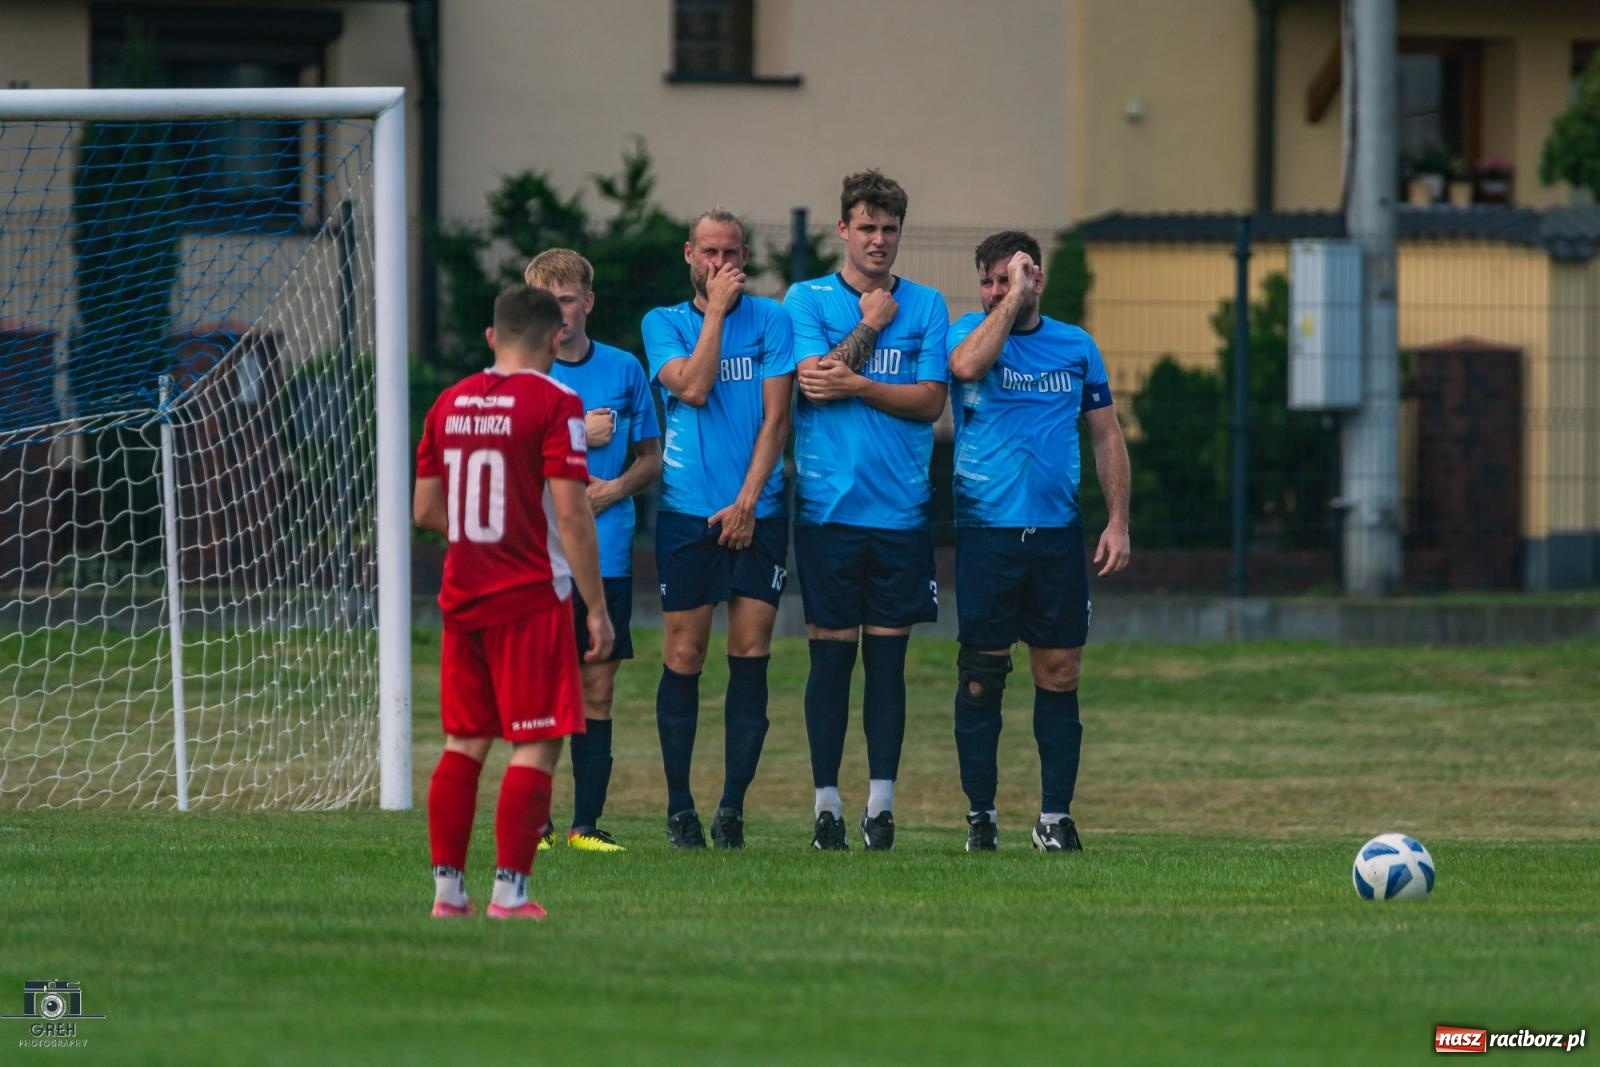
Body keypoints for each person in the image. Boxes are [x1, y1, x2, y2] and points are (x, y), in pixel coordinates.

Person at [413, 285, 614, 918]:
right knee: (538, 742)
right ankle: (510, 891)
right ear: (556, 339)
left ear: (491, 337)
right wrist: (597, 608)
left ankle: (448, 893)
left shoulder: (448, 403)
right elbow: (572, 514)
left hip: (463, 592)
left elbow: (424, 509)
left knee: (464, 741)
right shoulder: (557, 402)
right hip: (530, 595)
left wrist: (482, 530)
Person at [945, 231, 1131, 853]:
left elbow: (1106, 435)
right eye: (988, 281)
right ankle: (981, 816)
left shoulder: (1076, 346)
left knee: (1060, 672)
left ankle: (1055, 818)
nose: (996, 290)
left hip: (1055, 538)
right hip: (987, 534)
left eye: (1010, 278)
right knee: (982, 675)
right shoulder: (968, 334)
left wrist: (1117, 521)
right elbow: (966, 368)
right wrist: (1009, 300)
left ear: (1038, 280)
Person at [784, 170, 949, 851]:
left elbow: (930, 401)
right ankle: (826, 807)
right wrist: (870, 325)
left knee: (887, 665)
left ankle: (881, 808)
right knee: (829, 663)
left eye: (889, 229)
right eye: (867, 227)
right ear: (843, 230)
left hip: (901, 514)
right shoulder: (806, 298)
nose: (879, 240)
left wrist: (857, 382)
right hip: (828, 513)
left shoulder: (929, 304)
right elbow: (813, 385)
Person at [641, 208, 795, 850]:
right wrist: (716, 315)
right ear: (690, 255)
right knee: (684, 655)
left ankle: (732, 809)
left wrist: (748, 502)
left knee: (751, 655)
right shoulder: (664, 323)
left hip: (759, 510)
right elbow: (695, 388)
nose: (721, 263)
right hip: (687, 513)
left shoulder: (773, 320)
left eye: (732, 253)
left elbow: (777, 420)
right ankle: (680, 808)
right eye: (709, 252)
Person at [525, 249, 662, 854]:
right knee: (541, 694)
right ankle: (537, 825)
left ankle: (585, 827)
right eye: (546, 303)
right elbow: (514, 459)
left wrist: (615, 488)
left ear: (588, 302)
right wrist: (581, 426)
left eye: (567, 300)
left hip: (607, 557)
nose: (559, 313)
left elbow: (651, 460)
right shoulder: (524, 376)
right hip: (543, 560)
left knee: (597, 692)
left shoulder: (625, 368)